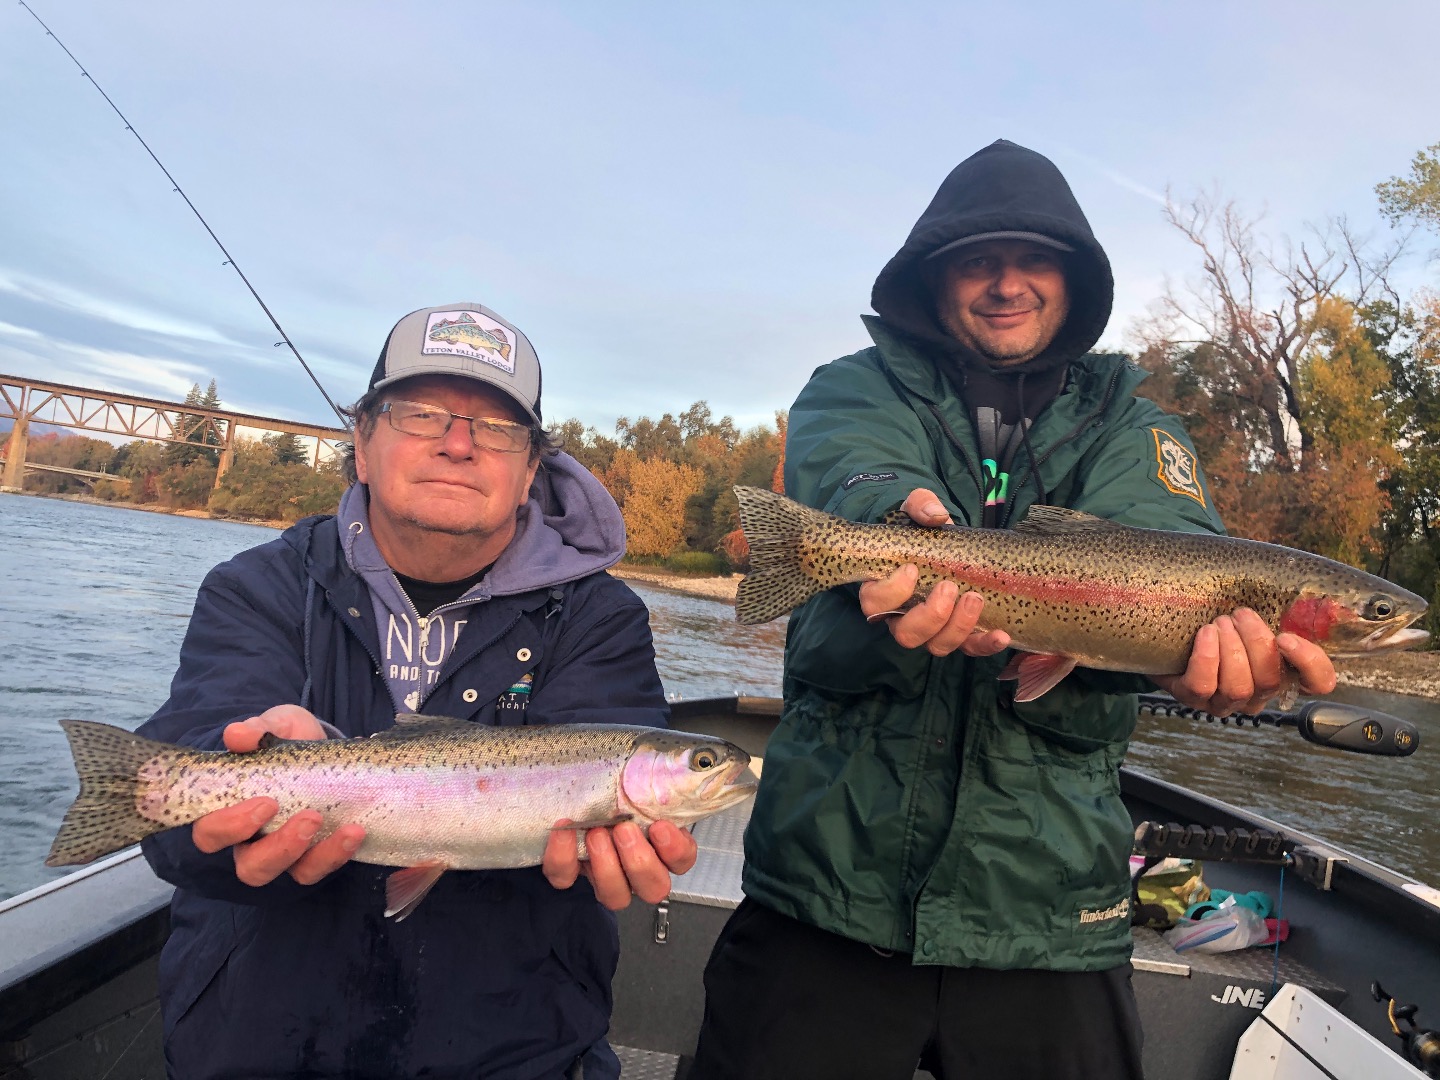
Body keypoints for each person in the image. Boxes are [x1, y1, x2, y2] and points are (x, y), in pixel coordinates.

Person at [688, 141, 1339, 1080]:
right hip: (826, 886)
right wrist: (893, 519)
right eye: (977, 260)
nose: (1006, 284)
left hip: (1051, 911)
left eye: (1033, 260)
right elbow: (862, 470)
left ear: (1074, 282)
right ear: (934, 275)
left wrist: (1197, 669)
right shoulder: (853, 384)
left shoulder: (1138, 423)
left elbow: (1159, 549)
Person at [138, 302, 697, 1079]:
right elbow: (170, 817)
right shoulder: (256, 588)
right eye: (420, 413)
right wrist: (221, 804)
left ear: (532, 469)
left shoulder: (602, 618)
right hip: (259, 1045)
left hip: (517, 1051)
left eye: (497, 428)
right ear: (361, 444)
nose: (459, 443)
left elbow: (613, 761)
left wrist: (629, 844)